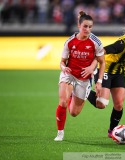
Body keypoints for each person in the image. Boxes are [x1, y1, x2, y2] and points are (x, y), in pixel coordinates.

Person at [87, 24, 125, 138]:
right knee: (101, 104)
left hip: (119, 73)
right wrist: (93, 68)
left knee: (119, 104)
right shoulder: (121, 44)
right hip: (105, 70)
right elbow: (102, 51)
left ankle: (112, 130)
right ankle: (83, 92)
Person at [54, 11, 105, 141]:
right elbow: (61, 62)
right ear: (79, 25)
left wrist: (98, 81)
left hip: (84, 79)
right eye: (85, 26)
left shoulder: (96, 42)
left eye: (90, 27)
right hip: (69, 75)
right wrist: (64, 68)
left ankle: (73, 94)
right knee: (63, 102)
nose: (87, 29)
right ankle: (60, 133)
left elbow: (102, 62)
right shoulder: (70, 42)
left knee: (74, 113)